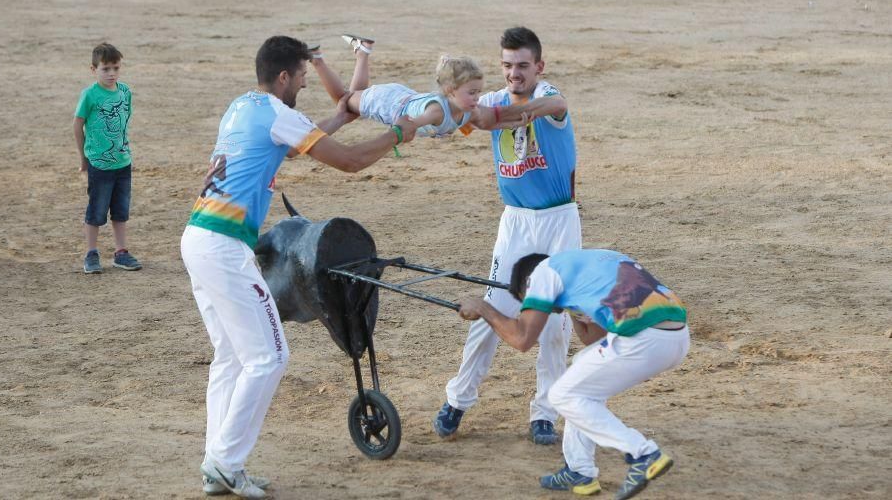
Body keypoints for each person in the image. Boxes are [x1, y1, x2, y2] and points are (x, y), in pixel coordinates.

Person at [181, 35, 417, 499]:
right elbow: (347, 162)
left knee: (232, 357)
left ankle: (220, 464)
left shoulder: (243, 105)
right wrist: (397, 135)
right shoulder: (277, 113)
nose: (306, 85)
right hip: (225, 248)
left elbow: (289, 146)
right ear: (284, 76)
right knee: (269, 358)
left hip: (198, 238)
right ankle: (225, 463)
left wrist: (338, 119)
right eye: (304, 77)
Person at [433, 26, 581, 445]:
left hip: (558, 221)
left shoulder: (549, 95)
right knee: (492, 306)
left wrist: (501, 114)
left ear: (539, 66)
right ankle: (458, 399)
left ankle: (545, 413)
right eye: (507, 66)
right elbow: (464, 118)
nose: (514, 73)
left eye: (522, 66)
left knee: (555, 319)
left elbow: (556, 104)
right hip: (515, 221)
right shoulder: (493, 99)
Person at [458, 249, 689, 499]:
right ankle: (579, 470)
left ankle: (643, 454)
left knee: (562, 395)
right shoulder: (595, 264)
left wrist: (484, 308)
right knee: (581, 375)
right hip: (675, 337)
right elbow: (593, 338)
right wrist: (568, 307)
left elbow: (522, 339)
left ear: (528, 283)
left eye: (528, 302)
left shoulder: (543, 273)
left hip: (643, 339)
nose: (533, 309)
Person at [309, 34, 527, 138]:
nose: (477, 97)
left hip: (402, 96)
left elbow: (487, 123)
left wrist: (512, 125)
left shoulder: (470, 110)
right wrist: (392, 140)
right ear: (451, 91)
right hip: (386, 103)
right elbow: (409, 125)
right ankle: (316, 57)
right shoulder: (436, 111)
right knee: (343, 101)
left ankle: (362, 52)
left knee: (350, 99)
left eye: (478, 92)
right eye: (471, 92)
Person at [73, 42, 142, 274]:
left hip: (122, 161)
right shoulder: (90, 95)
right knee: (97, 209)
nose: (111, 73)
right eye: (105, 69)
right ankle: (91, 253)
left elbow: (125, 121)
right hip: (99, 163)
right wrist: (84, 158)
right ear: (94, 70)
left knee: (121, 210)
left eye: (115, 68)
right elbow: (77, 124)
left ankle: (121, 252)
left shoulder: (125, 92)